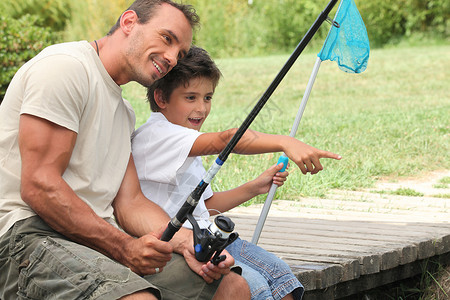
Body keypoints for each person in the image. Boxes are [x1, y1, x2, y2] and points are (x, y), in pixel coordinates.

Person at [0, 1, 251, 299]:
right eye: (167, 39)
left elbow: (130, 202)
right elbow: (40, 186)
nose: (172, 58)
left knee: (231, 287)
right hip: (28, 236)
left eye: (180, 53)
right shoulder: (65, 67)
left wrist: (185, 241)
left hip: (94, 241)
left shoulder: (123, 112)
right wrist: (123, 247)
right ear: (129, 22)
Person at [131, 46, 342, 299]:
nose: (202, 108)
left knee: (280, 276)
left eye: (207, 97)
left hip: (212, 238)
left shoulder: (186, 140)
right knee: (256, 286)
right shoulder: (156, 136)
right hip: (182, 246)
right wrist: (286, 142)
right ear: (161, 98)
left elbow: (205, 206)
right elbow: (228, 139)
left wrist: (255, 187)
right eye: (191, 98)